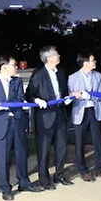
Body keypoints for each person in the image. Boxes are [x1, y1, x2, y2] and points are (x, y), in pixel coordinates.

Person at [0, 55, 42, 201]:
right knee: (3, 158)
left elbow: (20, 99)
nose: (16, 67)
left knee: (21, 154)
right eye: (13, 65)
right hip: (1, 125)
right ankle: (5, 188)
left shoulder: (17, 82)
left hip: (17, 123)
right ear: (4, 67)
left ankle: (24, 182)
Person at [26, 45, 72, 189]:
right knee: (44, 148)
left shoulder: (61, 73)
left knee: (61, 146)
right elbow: (29, 93)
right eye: (56, 54)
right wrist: (37, 100)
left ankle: (59, 174)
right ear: (49, 58)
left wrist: (67, 98)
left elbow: (64, 90)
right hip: (44, 116)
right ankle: (44, 179)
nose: (59, 56)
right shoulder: (38, 74)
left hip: (60, 113)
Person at [68, 53, 101, 182]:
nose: (95, 62)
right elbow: (68, 95)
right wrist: (74, 94)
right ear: (85, 63)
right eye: (92, 60)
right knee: (79, 142)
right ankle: (83, 170)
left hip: (95, 110)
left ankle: (100, 169)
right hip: (80, 111)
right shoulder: (72, 77)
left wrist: (89, 96)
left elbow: (100, 94)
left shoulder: (98, 76)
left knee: (98, 140)